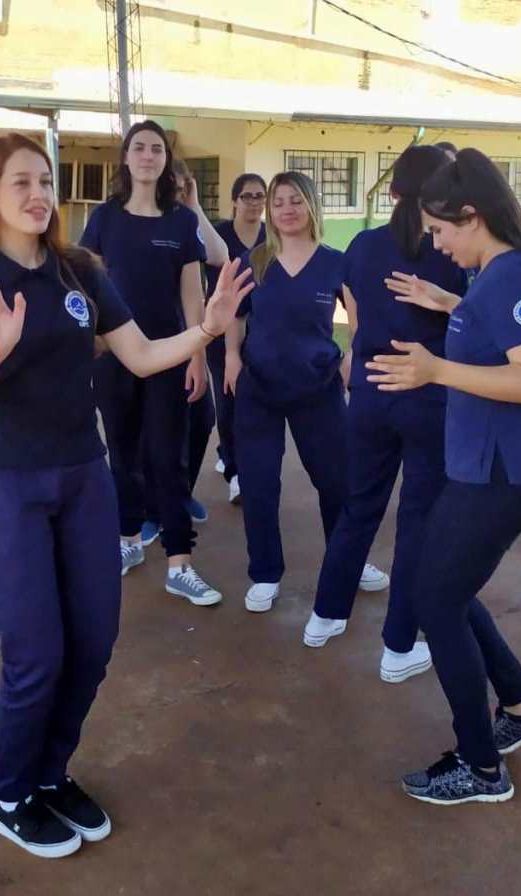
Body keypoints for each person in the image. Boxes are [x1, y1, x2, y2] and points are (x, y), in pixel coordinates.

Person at [0, 132, 253, 857]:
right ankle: (10, 793)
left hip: (83, 477)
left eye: (44, 180)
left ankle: (50, 774)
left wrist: (204, 329)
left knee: (94, 640)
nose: (38, 194)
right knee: (36, 650)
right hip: (5, 483)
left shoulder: (78, 271)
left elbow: (140, 355)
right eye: (19, 182)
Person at [366, 148, 521, 805]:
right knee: (445, 589)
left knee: (435, 598)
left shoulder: (512, 276)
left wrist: (437, 370)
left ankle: (481, 767)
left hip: (502, 475)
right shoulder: (494, 277)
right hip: (484, 469)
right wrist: (449, 302)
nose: (434, 241)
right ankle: (519, 705)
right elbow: (493, 334)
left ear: (472, 216)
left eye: (439, 230)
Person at [303, 145, 467, 685]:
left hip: (372, 392)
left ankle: (325, 615)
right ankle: (398, 646)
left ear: (393, 191)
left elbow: (352, 306)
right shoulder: (452, 251)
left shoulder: (365, 245)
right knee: (417, 520)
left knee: (359, 507)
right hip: (426, 391)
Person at [225, 171, 389, 613]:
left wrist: (355, 353)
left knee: (336, 482)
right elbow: (234, 316)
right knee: (259, 485)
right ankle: (264, 573)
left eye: (296, 200)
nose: (287, 209)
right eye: (278, 202)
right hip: (259, 386)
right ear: (270, 211)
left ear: (311, 205)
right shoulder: (254, 260)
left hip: (318, 387)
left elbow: (359, 319)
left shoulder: (337, 262)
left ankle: (347, 564)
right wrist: (232, 357)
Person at [81, 120, 224, 605]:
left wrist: (197, 355)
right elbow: (84, 288)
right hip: (114, 357)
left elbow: (193, 292)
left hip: (169, 354)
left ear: (165, 160)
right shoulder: (103, 218)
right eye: (139, 148)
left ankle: (180, 562)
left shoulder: (181, 222)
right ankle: (126, 541)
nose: (147, 156)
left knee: (169, 456)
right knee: (121, 452)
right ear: (126, 158)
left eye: (156, 149)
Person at [141, 157, 228, 544]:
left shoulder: (184, 220)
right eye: (171, 184)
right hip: (141, 342)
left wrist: (193, 204)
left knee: (200, 418)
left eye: (181, 184)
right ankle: (149, 510)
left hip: (187, 338)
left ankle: (179, 493)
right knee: (149, 432)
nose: (174, 189)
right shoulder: (135, 218)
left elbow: (219, 255)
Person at [209, 172, 267, 505]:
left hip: (259, 334)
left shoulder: (270, 237)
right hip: (222, 333)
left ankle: (244, 460)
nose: (255, 202)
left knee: (255, 404)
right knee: (228, 403)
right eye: (247, 196)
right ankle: (235, 472)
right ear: (234, 200)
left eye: (260, 196)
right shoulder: (219, 236)